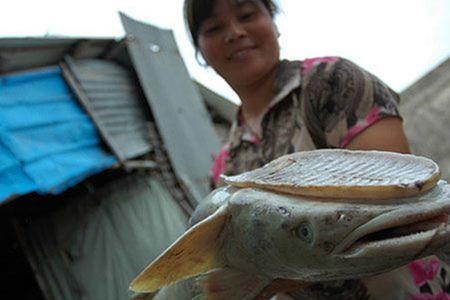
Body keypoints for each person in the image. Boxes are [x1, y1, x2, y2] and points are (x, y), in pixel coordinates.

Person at [183, 0, 450, 299]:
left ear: (273, 21)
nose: (234, 32)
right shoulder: (224, 169)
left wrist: (260, 272)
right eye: (214, 28)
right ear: (200, 53)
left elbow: (406, 207)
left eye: (246, 15)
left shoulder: (333, 80)